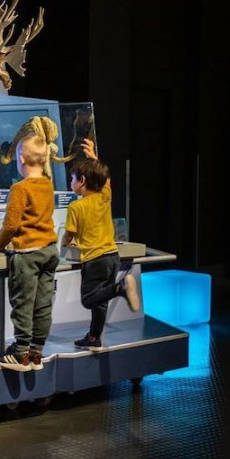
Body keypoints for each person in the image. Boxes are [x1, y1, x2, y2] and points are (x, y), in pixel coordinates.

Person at [60, 139, 140, 351]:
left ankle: (120, 288)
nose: (71, 183)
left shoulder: (76, 207)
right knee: (100, 301)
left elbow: (69, 233)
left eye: (72, 179)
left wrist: (65, 242)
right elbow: (107, 181)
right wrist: (94, 158)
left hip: (95, 260)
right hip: (112, 256)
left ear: (82, 180)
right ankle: (94, 338)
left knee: (89, 300)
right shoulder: (105, 197)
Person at [0, 133, 59, 372]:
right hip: (50, 251)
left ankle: (20, 353)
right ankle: (36, 353)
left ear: (21, 159)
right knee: (43, 304)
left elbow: (11, 225)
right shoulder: (48, 185)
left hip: (27, 253)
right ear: (45, 158)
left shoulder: (19, 188)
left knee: (23, 303)